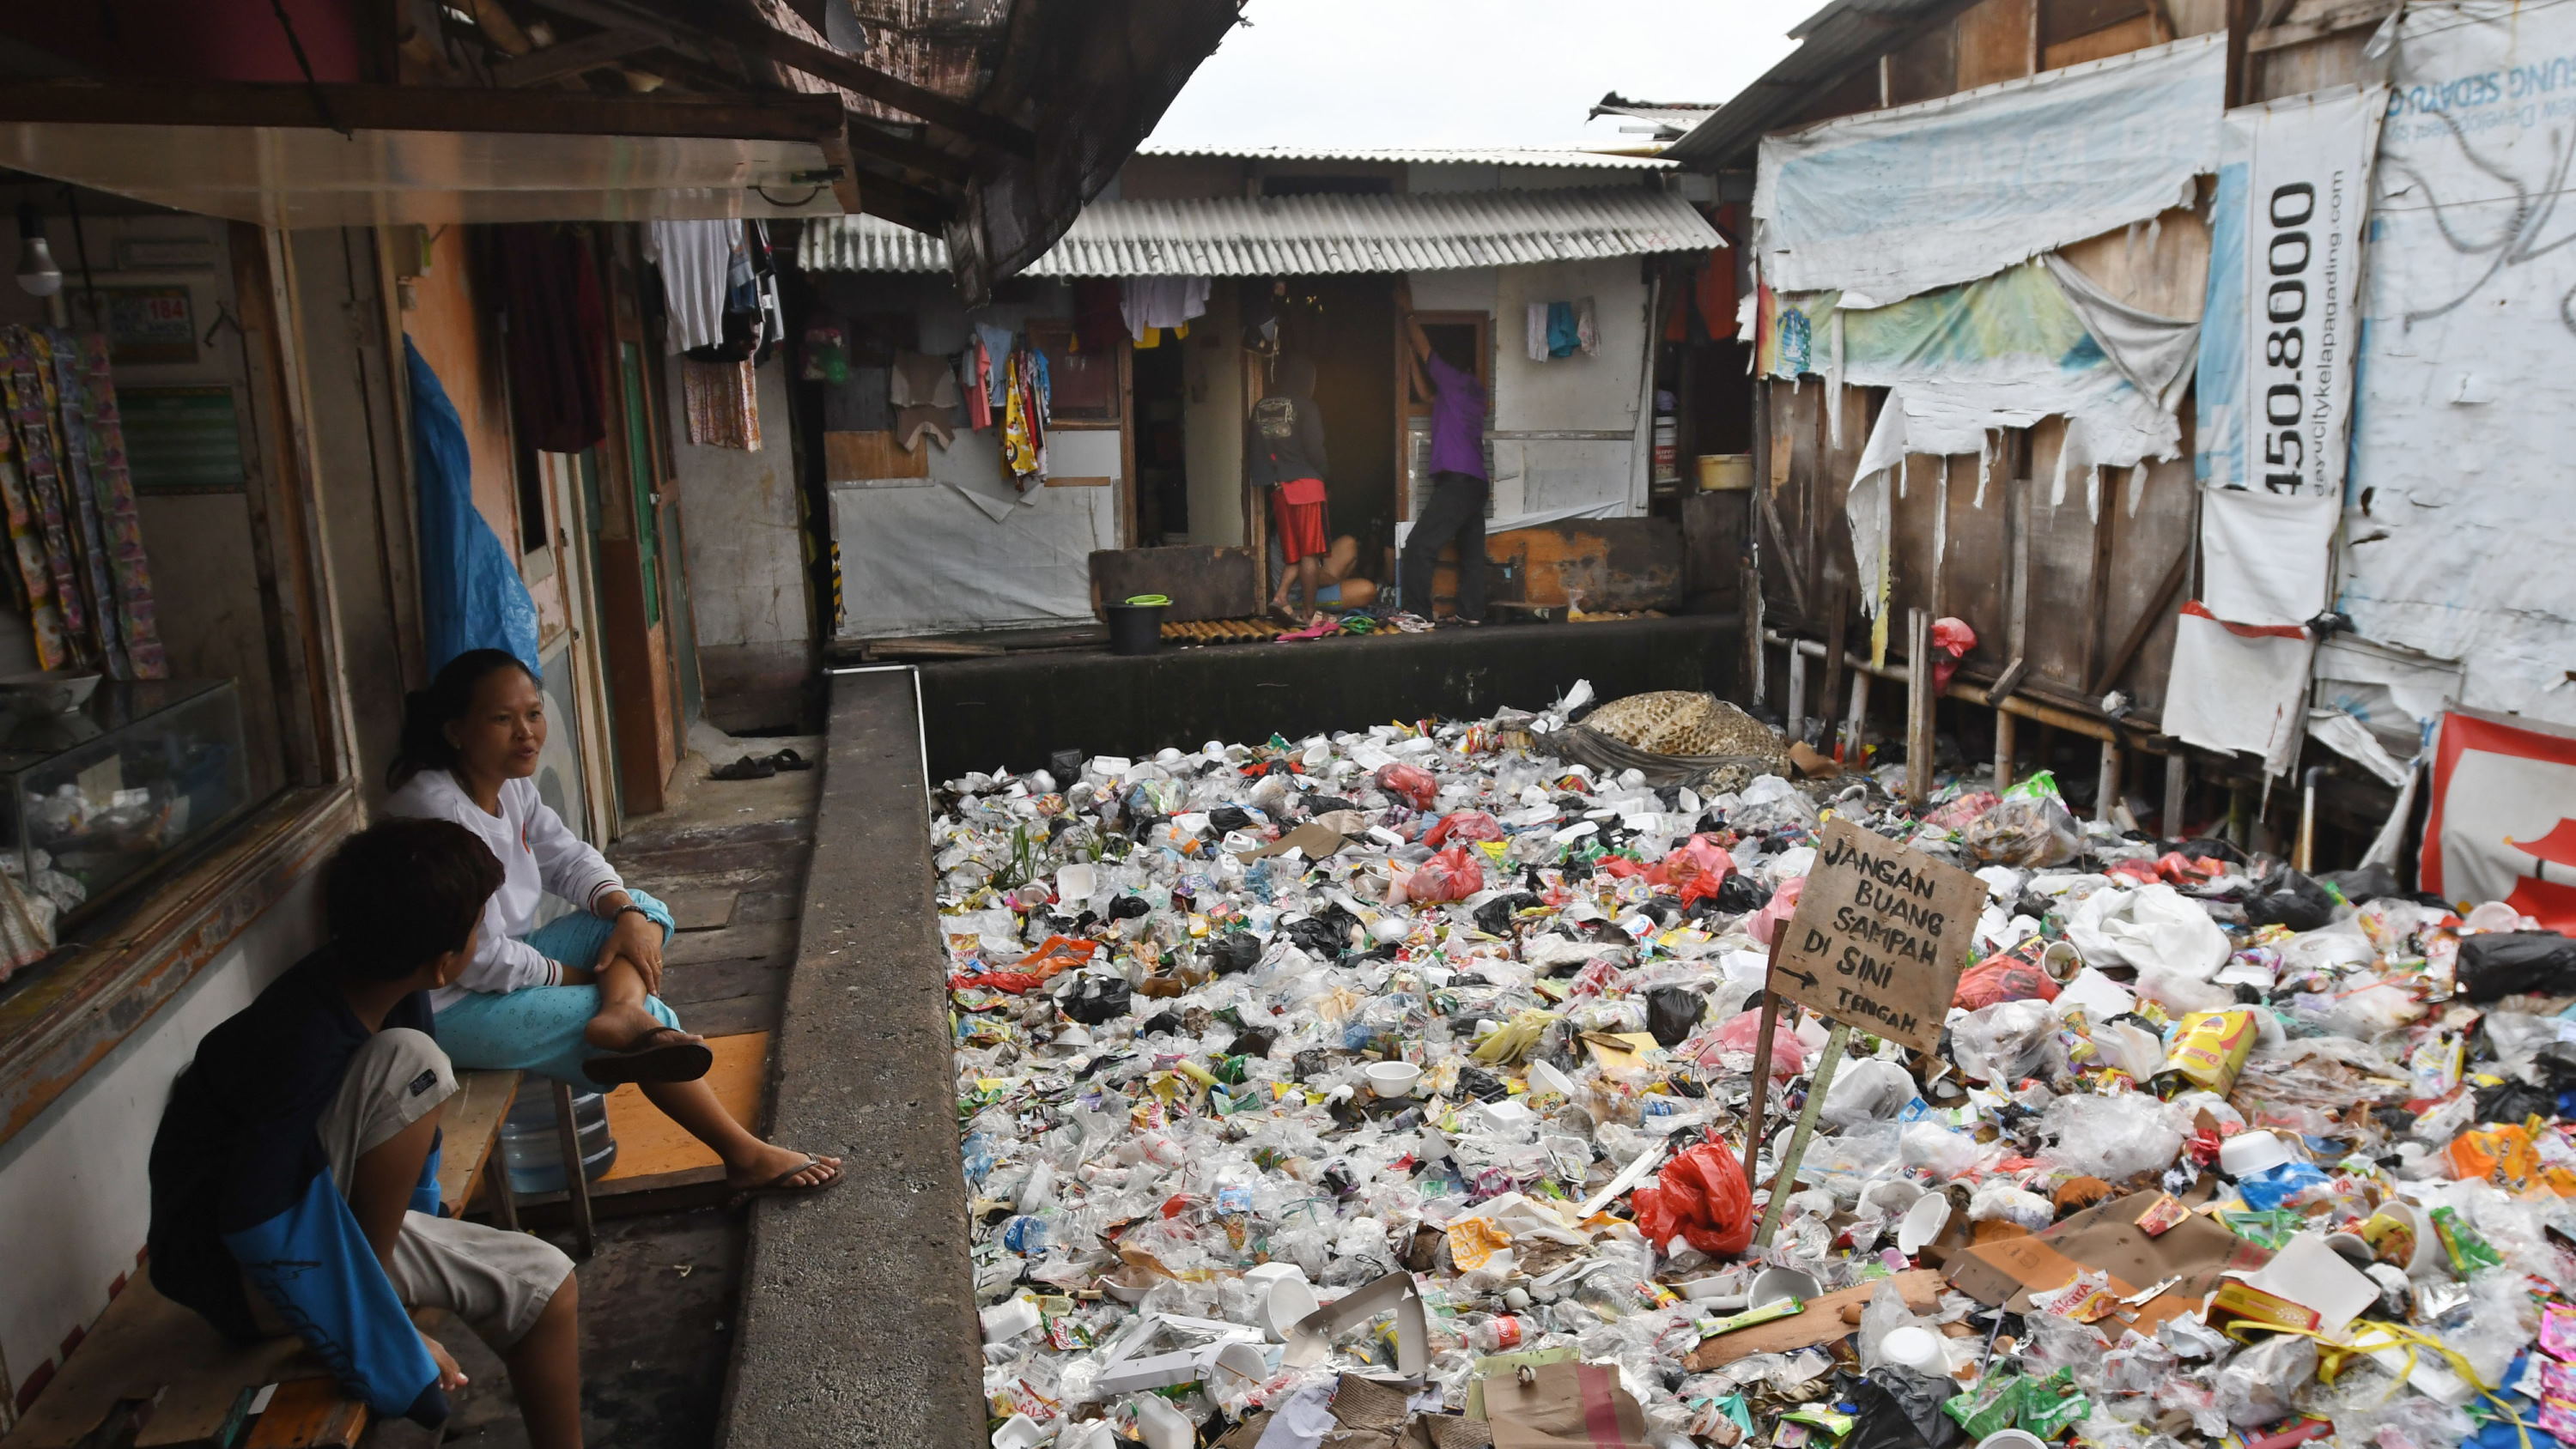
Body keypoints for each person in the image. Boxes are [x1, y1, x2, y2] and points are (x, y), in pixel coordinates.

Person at [148, 818, 584, 1446]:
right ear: (443, 964)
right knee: (418, 1069)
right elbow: (254, 1218)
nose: (487, 934)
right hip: (246, 1280)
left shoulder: (369, 986)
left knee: (546, 1285)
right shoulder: (304, 1038)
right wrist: (389, 1340)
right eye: (479, 927)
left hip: (296, 1233)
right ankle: (380, 1293)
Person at [385, 649, 839, 1199]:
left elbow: (569, 858)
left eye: (532, 713)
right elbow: (472, 957)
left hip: (501, 959)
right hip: (446, 1004)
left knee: (644, 908)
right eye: (502, 719)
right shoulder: (437, 813)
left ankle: (620, 1010)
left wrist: (623, 911)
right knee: (649, 1026)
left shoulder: (508, 783)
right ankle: (744, 1154)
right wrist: (575, 977)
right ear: (456, 731)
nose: (526, 733)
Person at [1397, 288, 1491, 624]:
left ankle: (1418, 613)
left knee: (1419, 546)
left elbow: (1427, 351)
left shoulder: (1454, 380)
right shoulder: (1471, 393)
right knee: (1471, 554)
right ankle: (1471, 613)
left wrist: (1409, 314)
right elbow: (1424, 393)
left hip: (1458, 480)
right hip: (1476, 482)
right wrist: (1408, 357)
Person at [1248, 356, 1331, 621]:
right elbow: (1315, 448)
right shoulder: (1306, 405)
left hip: (1279, 489)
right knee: (1310, 555)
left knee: (1292, 553)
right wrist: (1325, 474)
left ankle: (1280, 597)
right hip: (1306, 486)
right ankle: (1309, 613)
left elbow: (1256, 450)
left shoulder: (1260, 406)